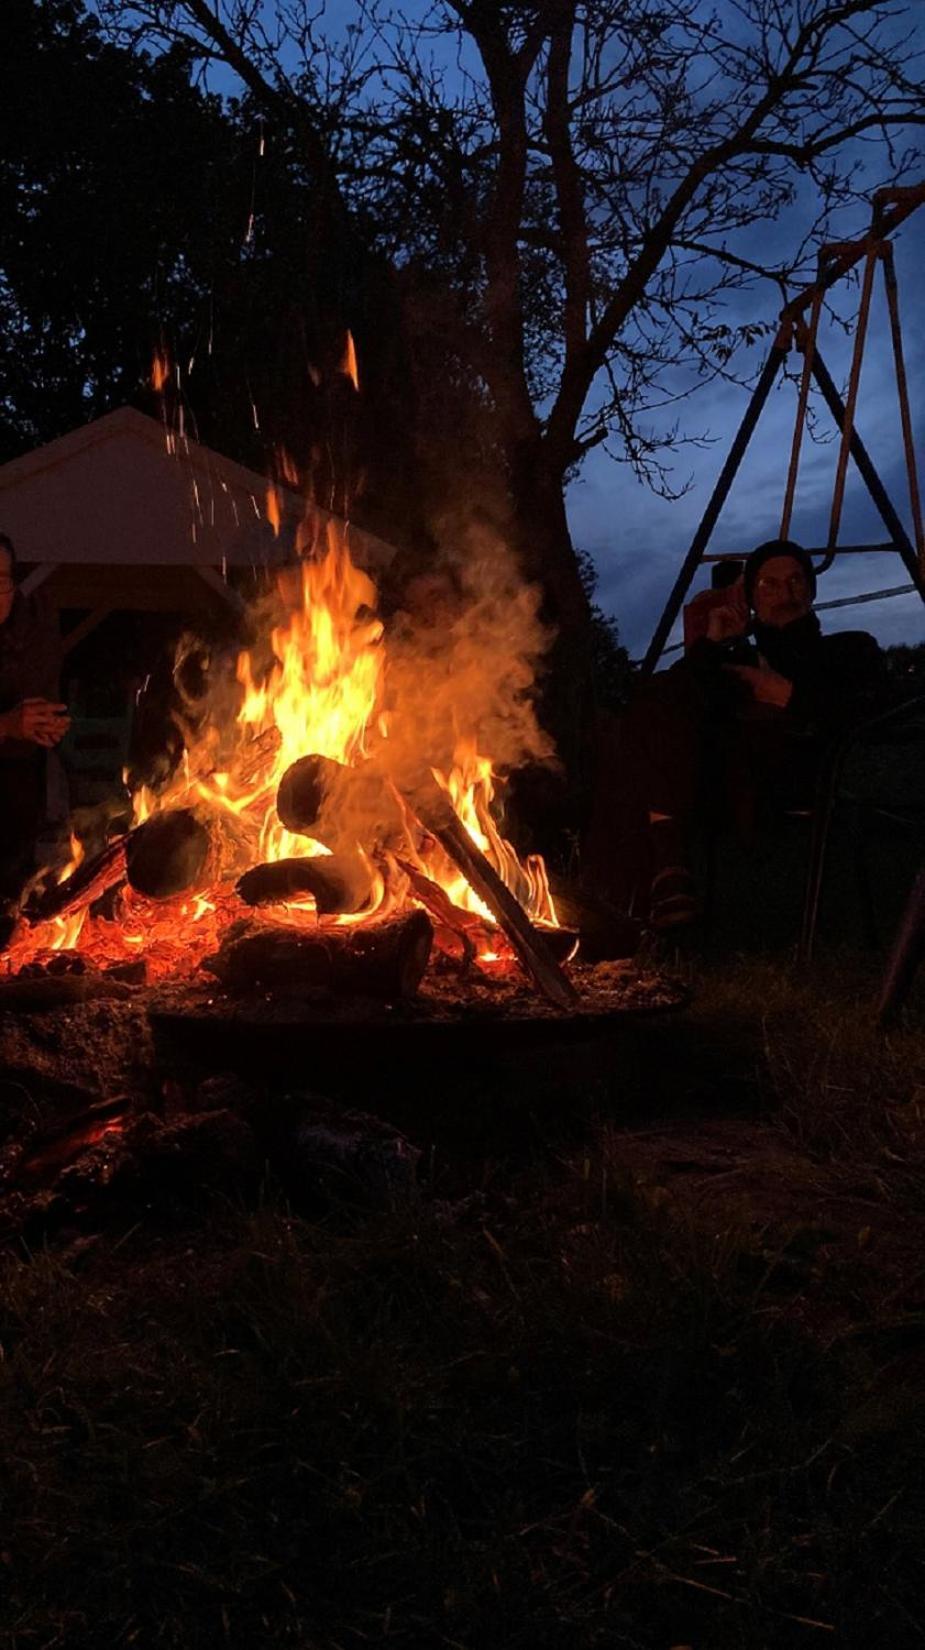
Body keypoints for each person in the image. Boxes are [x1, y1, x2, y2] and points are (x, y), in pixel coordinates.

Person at [583, 538, 886, 930]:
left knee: (641, 762)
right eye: (768, 585)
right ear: (751, 600)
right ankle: (646, 890)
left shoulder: (848, 649)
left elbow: (872, 711)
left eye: (796, 581)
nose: (785, 593)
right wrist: (713, 643)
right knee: (657, 702)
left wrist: (786, 696)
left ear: (811, 591)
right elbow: (666, 701)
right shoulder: (735, 661)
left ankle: (643, 887)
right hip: (722, 780)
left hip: (805, 775)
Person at [0, 533, 70, 905]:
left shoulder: (30, 632)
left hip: (17, 794)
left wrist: (48, 724)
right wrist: (6, 725)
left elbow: (44, 696)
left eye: (0, 581)